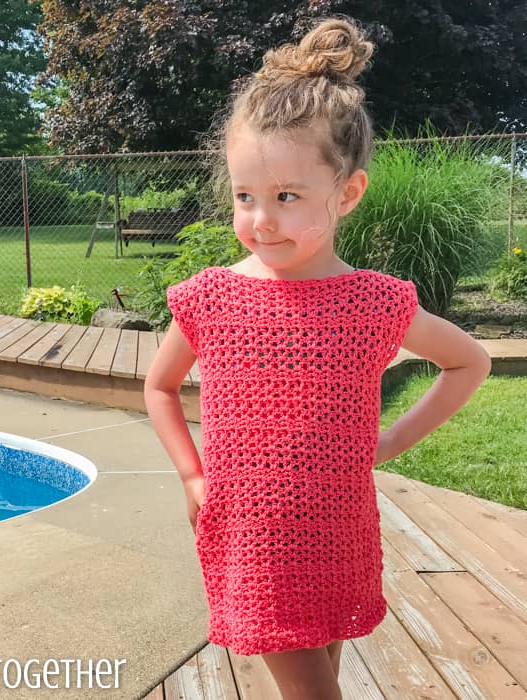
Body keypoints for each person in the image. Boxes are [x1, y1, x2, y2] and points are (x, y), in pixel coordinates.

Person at [143, 15, 492, 700]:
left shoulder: (375, 303)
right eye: (245, 197)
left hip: (337, 534)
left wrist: (389, 439)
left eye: (286, 198)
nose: (260, 219)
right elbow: (160, 389)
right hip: (257, 539)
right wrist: (192, 476)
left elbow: (468, 362)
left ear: (348, 193)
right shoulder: (211, 298)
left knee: (320, 674)